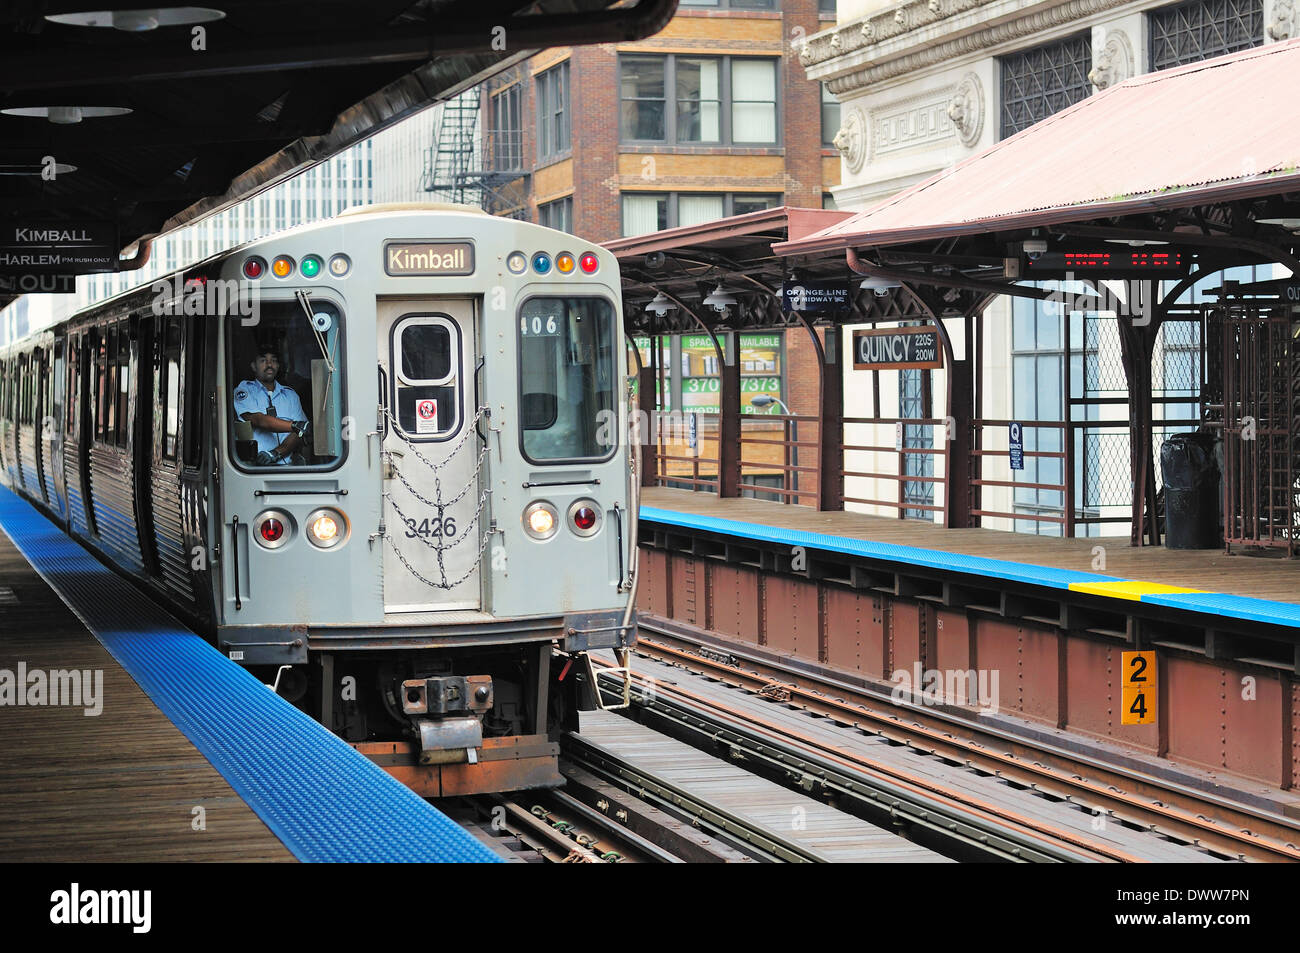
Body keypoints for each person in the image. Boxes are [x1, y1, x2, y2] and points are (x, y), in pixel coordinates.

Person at [233, 345, 308, 466]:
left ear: (278, 366)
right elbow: (258, 420)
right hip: (252, 469)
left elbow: (300, 433)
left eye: (273, 360)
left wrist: (275, 453)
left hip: (287, 468)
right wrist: (294, 425)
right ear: (253, 366)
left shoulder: (290, 395)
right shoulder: (244, 390)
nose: (269, 364)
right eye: (263, 360)